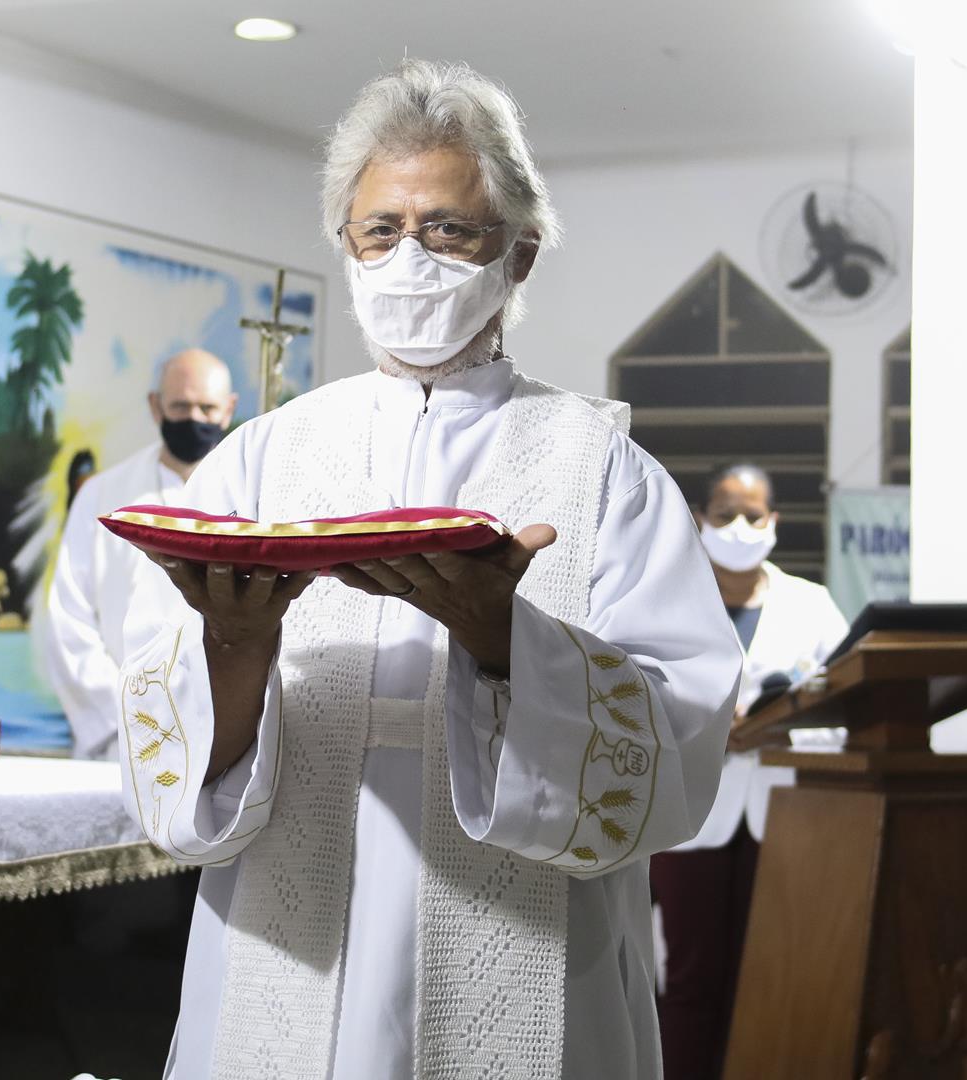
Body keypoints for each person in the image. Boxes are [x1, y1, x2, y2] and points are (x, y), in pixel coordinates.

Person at [118, 61, 742, 1080]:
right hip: (289, 934)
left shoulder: (604, 471)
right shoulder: (259, 462)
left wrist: (506, 641)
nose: (410, 257)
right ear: (347, 247)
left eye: (448, 230)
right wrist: (234, 646)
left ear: (520, 253)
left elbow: (678, 742)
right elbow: (168, 752)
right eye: (381, 230)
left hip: (535, 944)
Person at [649, 463, 849, 1079]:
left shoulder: (812, 605)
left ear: (774, 520)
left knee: (773, 971)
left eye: (753, 515)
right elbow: (633, 698)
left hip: (784, 820)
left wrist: (780, 730)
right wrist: (707, 727)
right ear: (700, 519)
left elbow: (848, 713)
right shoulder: (666, 599)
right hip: (690, 818)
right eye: (725, 513)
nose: (740, 526)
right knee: (689, 975)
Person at [43, 349, 236, 761]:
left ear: (229, 410)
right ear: (155, 406)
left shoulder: (251, 495)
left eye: (207, 408)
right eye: (180, 406)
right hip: (120, 739)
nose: (194, 418)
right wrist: (131, 717)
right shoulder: (104, 496)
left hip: (227, 734)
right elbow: (68, 617)